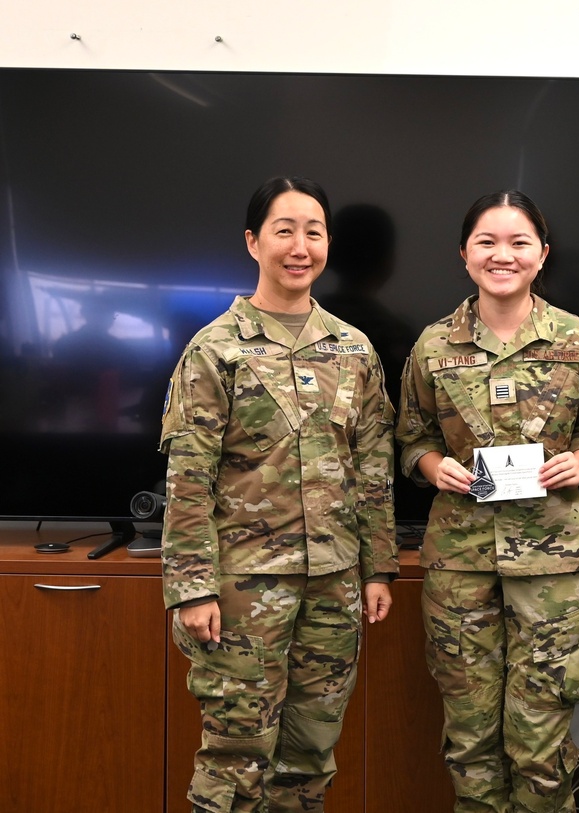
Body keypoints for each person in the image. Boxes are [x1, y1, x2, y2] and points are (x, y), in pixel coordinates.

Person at [159, 176, 398, 813]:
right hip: (242, 591)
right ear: (253, 242)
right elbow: (188, 480)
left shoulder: (353, 348)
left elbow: (372, 470)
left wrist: (378, 569)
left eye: (313, 231)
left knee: (312, 757)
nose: (300, 245)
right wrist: (193, 588)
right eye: (284, 230)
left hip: (334, 584)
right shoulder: (214, 350)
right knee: (236, 757)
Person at [396, 190, 579, 813]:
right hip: (460, 566)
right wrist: (435, 467)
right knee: (468, 738)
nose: (503, 255)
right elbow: (409, 438)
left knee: (540, 741)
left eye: (519, 242)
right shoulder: (433, 346)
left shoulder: (575, 341)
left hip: (551, 566)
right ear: (464, 254)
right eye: (487, 242)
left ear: (542, 255)